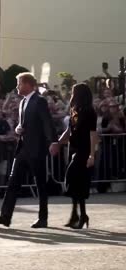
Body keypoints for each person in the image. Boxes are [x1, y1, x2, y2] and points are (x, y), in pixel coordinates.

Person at [0, 73, 59, 228]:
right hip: (23, 148)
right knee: (13, 182)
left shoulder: (39, 101)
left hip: (37, 149)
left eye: (19, 83)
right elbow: (24, 123)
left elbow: (47, 122)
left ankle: (43, 218)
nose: (17, 86)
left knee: (40, 184)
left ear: (28, 84)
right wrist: (19, 128)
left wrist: (53, 141)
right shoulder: (22, 103)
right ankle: (5, 216)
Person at [57, 83, 98, 229]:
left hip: (84, 150)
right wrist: (58, 143)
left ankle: (81, 215)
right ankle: (76, 214)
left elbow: (93, 134)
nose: (71, 94)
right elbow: (69, 131)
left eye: (73, 92)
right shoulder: (74, 110)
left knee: (75, 179)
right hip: (73, 148)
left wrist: (92, 155)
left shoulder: (89, 112)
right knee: (75, 183)